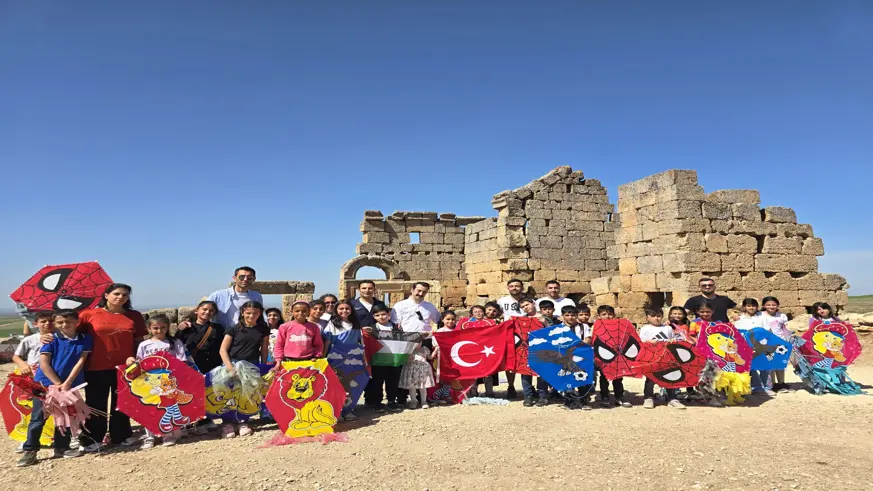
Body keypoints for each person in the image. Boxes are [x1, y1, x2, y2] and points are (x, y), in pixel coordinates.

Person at [72, 283, 146, 451]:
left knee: (122, 403)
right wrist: (46, 336)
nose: (120, 297)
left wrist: (139, 360)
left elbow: (139, 340)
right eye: (116, 294)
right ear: (106, 295)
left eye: (125, 295)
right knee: (95, 404)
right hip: (95, 366)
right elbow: (71, 332)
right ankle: (92, 438)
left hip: (125, 367)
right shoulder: (89, 314)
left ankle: (121, 436)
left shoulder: (134, 316)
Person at [17, 310, 92, 466]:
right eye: (60, 322)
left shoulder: (85, 339)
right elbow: (44, 364)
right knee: (38, 418)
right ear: (56, 324)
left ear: (77, 322)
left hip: (68, 385)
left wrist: (67, 383)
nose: (65, 325)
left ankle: (62, 447)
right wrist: (58, 384)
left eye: (69, 321)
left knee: (64, 416)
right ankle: (30, 450)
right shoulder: (50, 339)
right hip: (45, 385)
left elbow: (81, 361)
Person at [125, 314, 192, 449]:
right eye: (155, 328)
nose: (159, 331)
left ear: (168, 328)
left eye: (162, 328)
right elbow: (141, 362)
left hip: (169, 382)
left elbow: (182, 361)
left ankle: (168, 434)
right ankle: (150, 435)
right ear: (149, 329)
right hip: (150, 381)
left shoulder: (175, 343)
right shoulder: (144, 345)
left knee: (168, 406)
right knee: (149, 408)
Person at [218, 300, 269, 438]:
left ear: (260, 314)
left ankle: (242, 422)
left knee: (246, 395)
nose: (251, 316)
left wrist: (262, 368)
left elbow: (264, 351)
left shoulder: (263, 330)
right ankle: (227, 424)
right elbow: (223, 350)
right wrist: (230, 368)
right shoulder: (233, 329)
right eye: (248, 313)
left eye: (255, 313)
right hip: (232, 365)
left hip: (251, 365)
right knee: (229, 395)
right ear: (242, 313)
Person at [323, 300, 365, 420]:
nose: (344, 311)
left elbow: (360, 342)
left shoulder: (356, 324)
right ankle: (337, 410)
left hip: (353, 357)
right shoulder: (332, 323)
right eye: (341, 308)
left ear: (351, 310)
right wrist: (324, 356)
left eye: (347, 308)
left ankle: (348, 409)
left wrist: (363, 358)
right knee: (336, 384)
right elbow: (328, 341)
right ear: (336, 310)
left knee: (351, 383)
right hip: (336, 357)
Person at [639, 308, 686, 410]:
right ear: (647, 317)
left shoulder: (668, 328)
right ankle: (648, 397)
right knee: (650, 379)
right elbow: (641, 342)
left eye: (659, 316)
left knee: (669, 377)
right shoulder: (645, 328)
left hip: (666, 357)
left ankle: (672, 398)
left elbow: (671, 339)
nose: (657, 318)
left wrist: (672, 340)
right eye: (653, 316)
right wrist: (649, 342)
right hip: (652, 357)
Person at [364, 304, 404, 413]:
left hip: (393, 359)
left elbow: (403, 341)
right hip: (378, 359)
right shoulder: (371, 329)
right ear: (374, 316)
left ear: (389, 315)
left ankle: (391, 401)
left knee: (393, 380)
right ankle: (377, 402)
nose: (381, 317)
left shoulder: (396, 328)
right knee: (377, 381)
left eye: (383, 314)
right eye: (377, 315)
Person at [177, 300, 225, 374]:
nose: (207, 312)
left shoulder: (218, 328)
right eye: (205, 309)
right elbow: (177, 346)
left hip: (212, 368)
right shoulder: (187, 328)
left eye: (211, 311)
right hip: (191, 367)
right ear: (197, 310)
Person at [596, 305, 630, 408]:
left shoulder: (619, 326)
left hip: (617, 355)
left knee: (618, 377)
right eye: (604, 314)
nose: (607, 316)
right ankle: (604, 396)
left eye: (610, 314)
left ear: (614, 315)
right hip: (602, 355)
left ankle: (619, 396)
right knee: (604, 377)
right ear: (599, 316)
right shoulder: (595, 326)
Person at [561, 306, 593, 410]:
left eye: (573, 315)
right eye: (567, 315)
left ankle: (584, 401)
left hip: (581, 356)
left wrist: (572, 345)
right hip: (565, 357)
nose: (570, 317)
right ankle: (569, 400)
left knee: (582, 377)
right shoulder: (559, 328)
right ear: (563, 316)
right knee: (567, 379)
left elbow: (587, 340)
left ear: (576, 315)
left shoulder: (584, 327)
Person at [761, 296, 792, 393]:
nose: (771, 306)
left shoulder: (782, 316)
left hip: (781, 343)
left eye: (773, 305)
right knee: (770, 365)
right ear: (764, 306)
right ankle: (772, 384)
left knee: (780, 364)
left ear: (777, 305)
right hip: (767, 343)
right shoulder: (760, 315)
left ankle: (781, 383)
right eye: (768, 305)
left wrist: (789, 339)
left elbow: (785, 329)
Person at [12, 312, 54, 376]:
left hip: (53, 371)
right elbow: (16, 356)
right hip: (33, 371)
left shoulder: (61, 338)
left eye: (51, 321)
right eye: (43, 321)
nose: (47, 323)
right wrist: (23, 365)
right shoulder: (30, 339)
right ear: (35, 324)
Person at [431, 311, 458, 404]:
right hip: (443, 358)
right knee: (445, 376)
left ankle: (448, 394)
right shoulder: (439, 332)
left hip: (454, 357)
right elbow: (435, 343)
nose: (450, 321)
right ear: (442, 320)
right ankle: (443, 394)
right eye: (448, 319)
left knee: (453, 376)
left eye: (453, 319)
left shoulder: (458, 331)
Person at [399, 343, 436, 409]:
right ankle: (413, 401)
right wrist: (409, 357)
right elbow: (405, 359)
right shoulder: (409, 349)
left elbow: (430, 357)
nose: (419, 343)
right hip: (412, 370)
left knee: (422, 387)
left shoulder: (424, 348)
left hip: (422, 371)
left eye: (420, 341)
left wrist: (436, 350)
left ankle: (424, 401)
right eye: (416, 341)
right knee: (412, 387)